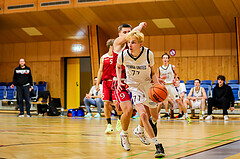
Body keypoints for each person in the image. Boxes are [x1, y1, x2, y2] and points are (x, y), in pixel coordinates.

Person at [117, 30, 165, 157]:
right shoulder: (123, 55)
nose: (130, 45)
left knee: (154, 116)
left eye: (133, 42)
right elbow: (118, 66)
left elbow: (153, 73)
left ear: (140, 44)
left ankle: (142, 129)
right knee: (143, 115)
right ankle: (158, 145)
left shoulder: (148, 54)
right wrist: (118, 81)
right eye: (128, 42)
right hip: (133, 87)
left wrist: (157, 85)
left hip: (147, 85)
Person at [113, 23, 151, 149]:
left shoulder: (136, 48)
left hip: (135, 81)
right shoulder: (118, 43)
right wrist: (139, 26)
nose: (127, 34)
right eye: (124, 32)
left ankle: (140, 129)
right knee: (128, 110)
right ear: (119, 34)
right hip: (121, 82)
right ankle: (124, 134)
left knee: (147, 109)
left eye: (129, 31)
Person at [96, 39, 121, 132]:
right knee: (106, 103)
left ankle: (119, 120)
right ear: (111, 47)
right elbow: (100, 70)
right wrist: (98, 83)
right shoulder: (103, 57)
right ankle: (109, 125)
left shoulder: (118, 57)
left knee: (116, 102)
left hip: (115, 82)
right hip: (106, 82)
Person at [158, 53, 191, 123]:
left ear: (168, 59)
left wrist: (175, 79)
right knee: (160, 103)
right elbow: (157, 78)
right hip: (164, 86)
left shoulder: (172, 67)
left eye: (166, 58)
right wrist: (161, 78)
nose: (165, 59)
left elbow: (176, 74)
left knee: (179, 101)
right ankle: (155, 117)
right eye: (164, 58)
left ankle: (186, 115)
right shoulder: (159, 68)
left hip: (171, 86)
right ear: (162, 59)